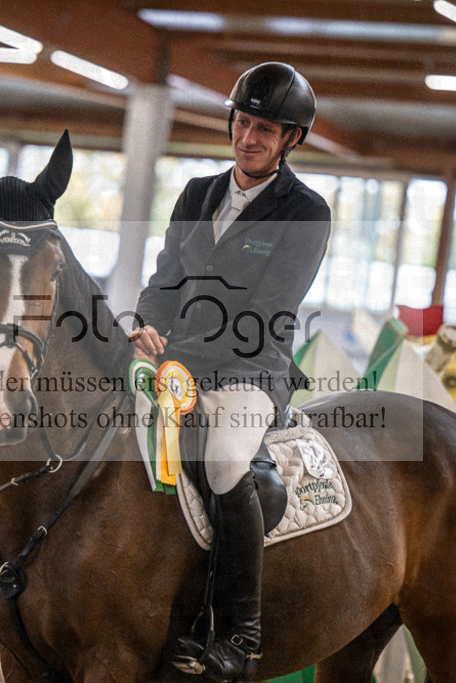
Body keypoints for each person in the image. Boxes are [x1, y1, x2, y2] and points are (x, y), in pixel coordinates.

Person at [130, 62, 331, 681]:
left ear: (290, 139)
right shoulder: (196, 194)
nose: (249, 138)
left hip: (253, 370)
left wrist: (180, 353)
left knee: (222, 461)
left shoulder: (306, 212)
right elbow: (165, 280)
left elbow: (266, 311)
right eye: (243, 123)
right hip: (177, 362)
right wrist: (145, 327)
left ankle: (241, 632)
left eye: (265, 130)